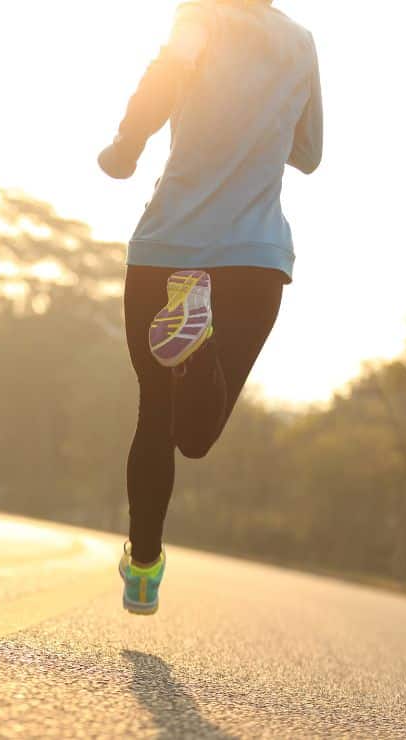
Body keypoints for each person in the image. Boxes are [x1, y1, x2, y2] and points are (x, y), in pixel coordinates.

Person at [98, 0, 323, 615]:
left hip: (167, 246)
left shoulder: (199, 16)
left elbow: (167, 72)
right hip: (254, 256)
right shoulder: (300, 42)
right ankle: (195, 355)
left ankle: (143, 566)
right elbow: (308, 152)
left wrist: (126, 146)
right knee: (194, 436)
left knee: (154, 414)